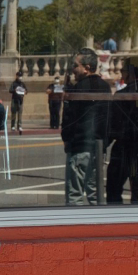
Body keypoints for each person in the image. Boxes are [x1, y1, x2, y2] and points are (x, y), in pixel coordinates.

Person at [61, 48, 112, 205]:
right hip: (98, 148)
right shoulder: (105, 88)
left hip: (79, 147)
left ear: (87, 67)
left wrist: (68, 140)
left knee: (75, 195)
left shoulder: (78, 89)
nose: (73, 70)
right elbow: (110, 120)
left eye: (75, 66)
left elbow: (69, 119)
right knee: (95, 195)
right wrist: (104, 142)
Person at [106, 60, 138, 204]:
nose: (121, 73)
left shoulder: (121, 96)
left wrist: (105, 143)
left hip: (124, 148)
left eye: (123, 71)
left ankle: (116, 219)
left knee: (113, 189)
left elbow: (113, 125)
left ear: (129, 73)